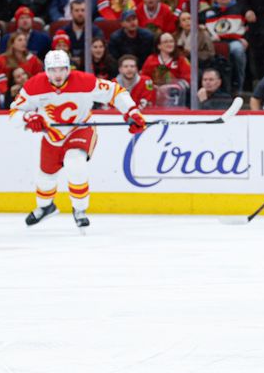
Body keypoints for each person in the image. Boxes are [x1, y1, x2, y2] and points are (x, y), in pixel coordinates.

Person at [10, 50, 146, 229]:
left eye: (62, 69)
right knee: (45, 177)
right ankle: (45, 207)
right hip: (52, 134)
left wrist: (132, 112)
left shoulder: (85, 81)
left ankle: (79, 209)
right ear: (46, 70)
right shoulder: (33, 85)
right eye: (52, 70)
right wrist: (29, 118)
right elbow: (14, 113)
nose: (57, 75)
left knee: (75, 163)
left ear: (68, 69)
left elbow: (116, 92)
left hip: (80, 128)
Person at [202, 0, 248, 94]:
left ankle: (239, 87)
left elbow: (250, 26)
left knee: (237, 50)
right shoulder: (208, 12)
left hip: (234, 41)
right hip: (214, 42)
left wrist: (246, 38)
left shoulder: (240, 8)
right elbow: (193, 21)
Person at [141, 32, 192, 106]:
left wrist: (170, 87)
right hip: (154, 95)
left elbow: (188, 80)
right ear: (159, 46)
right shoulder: (151, 60)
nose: (169, 44)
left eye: (171, 41)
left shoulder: (181, 60)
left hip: (175, 97)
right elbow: (144, 79)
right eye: (165, 42)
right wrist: (153, 87)